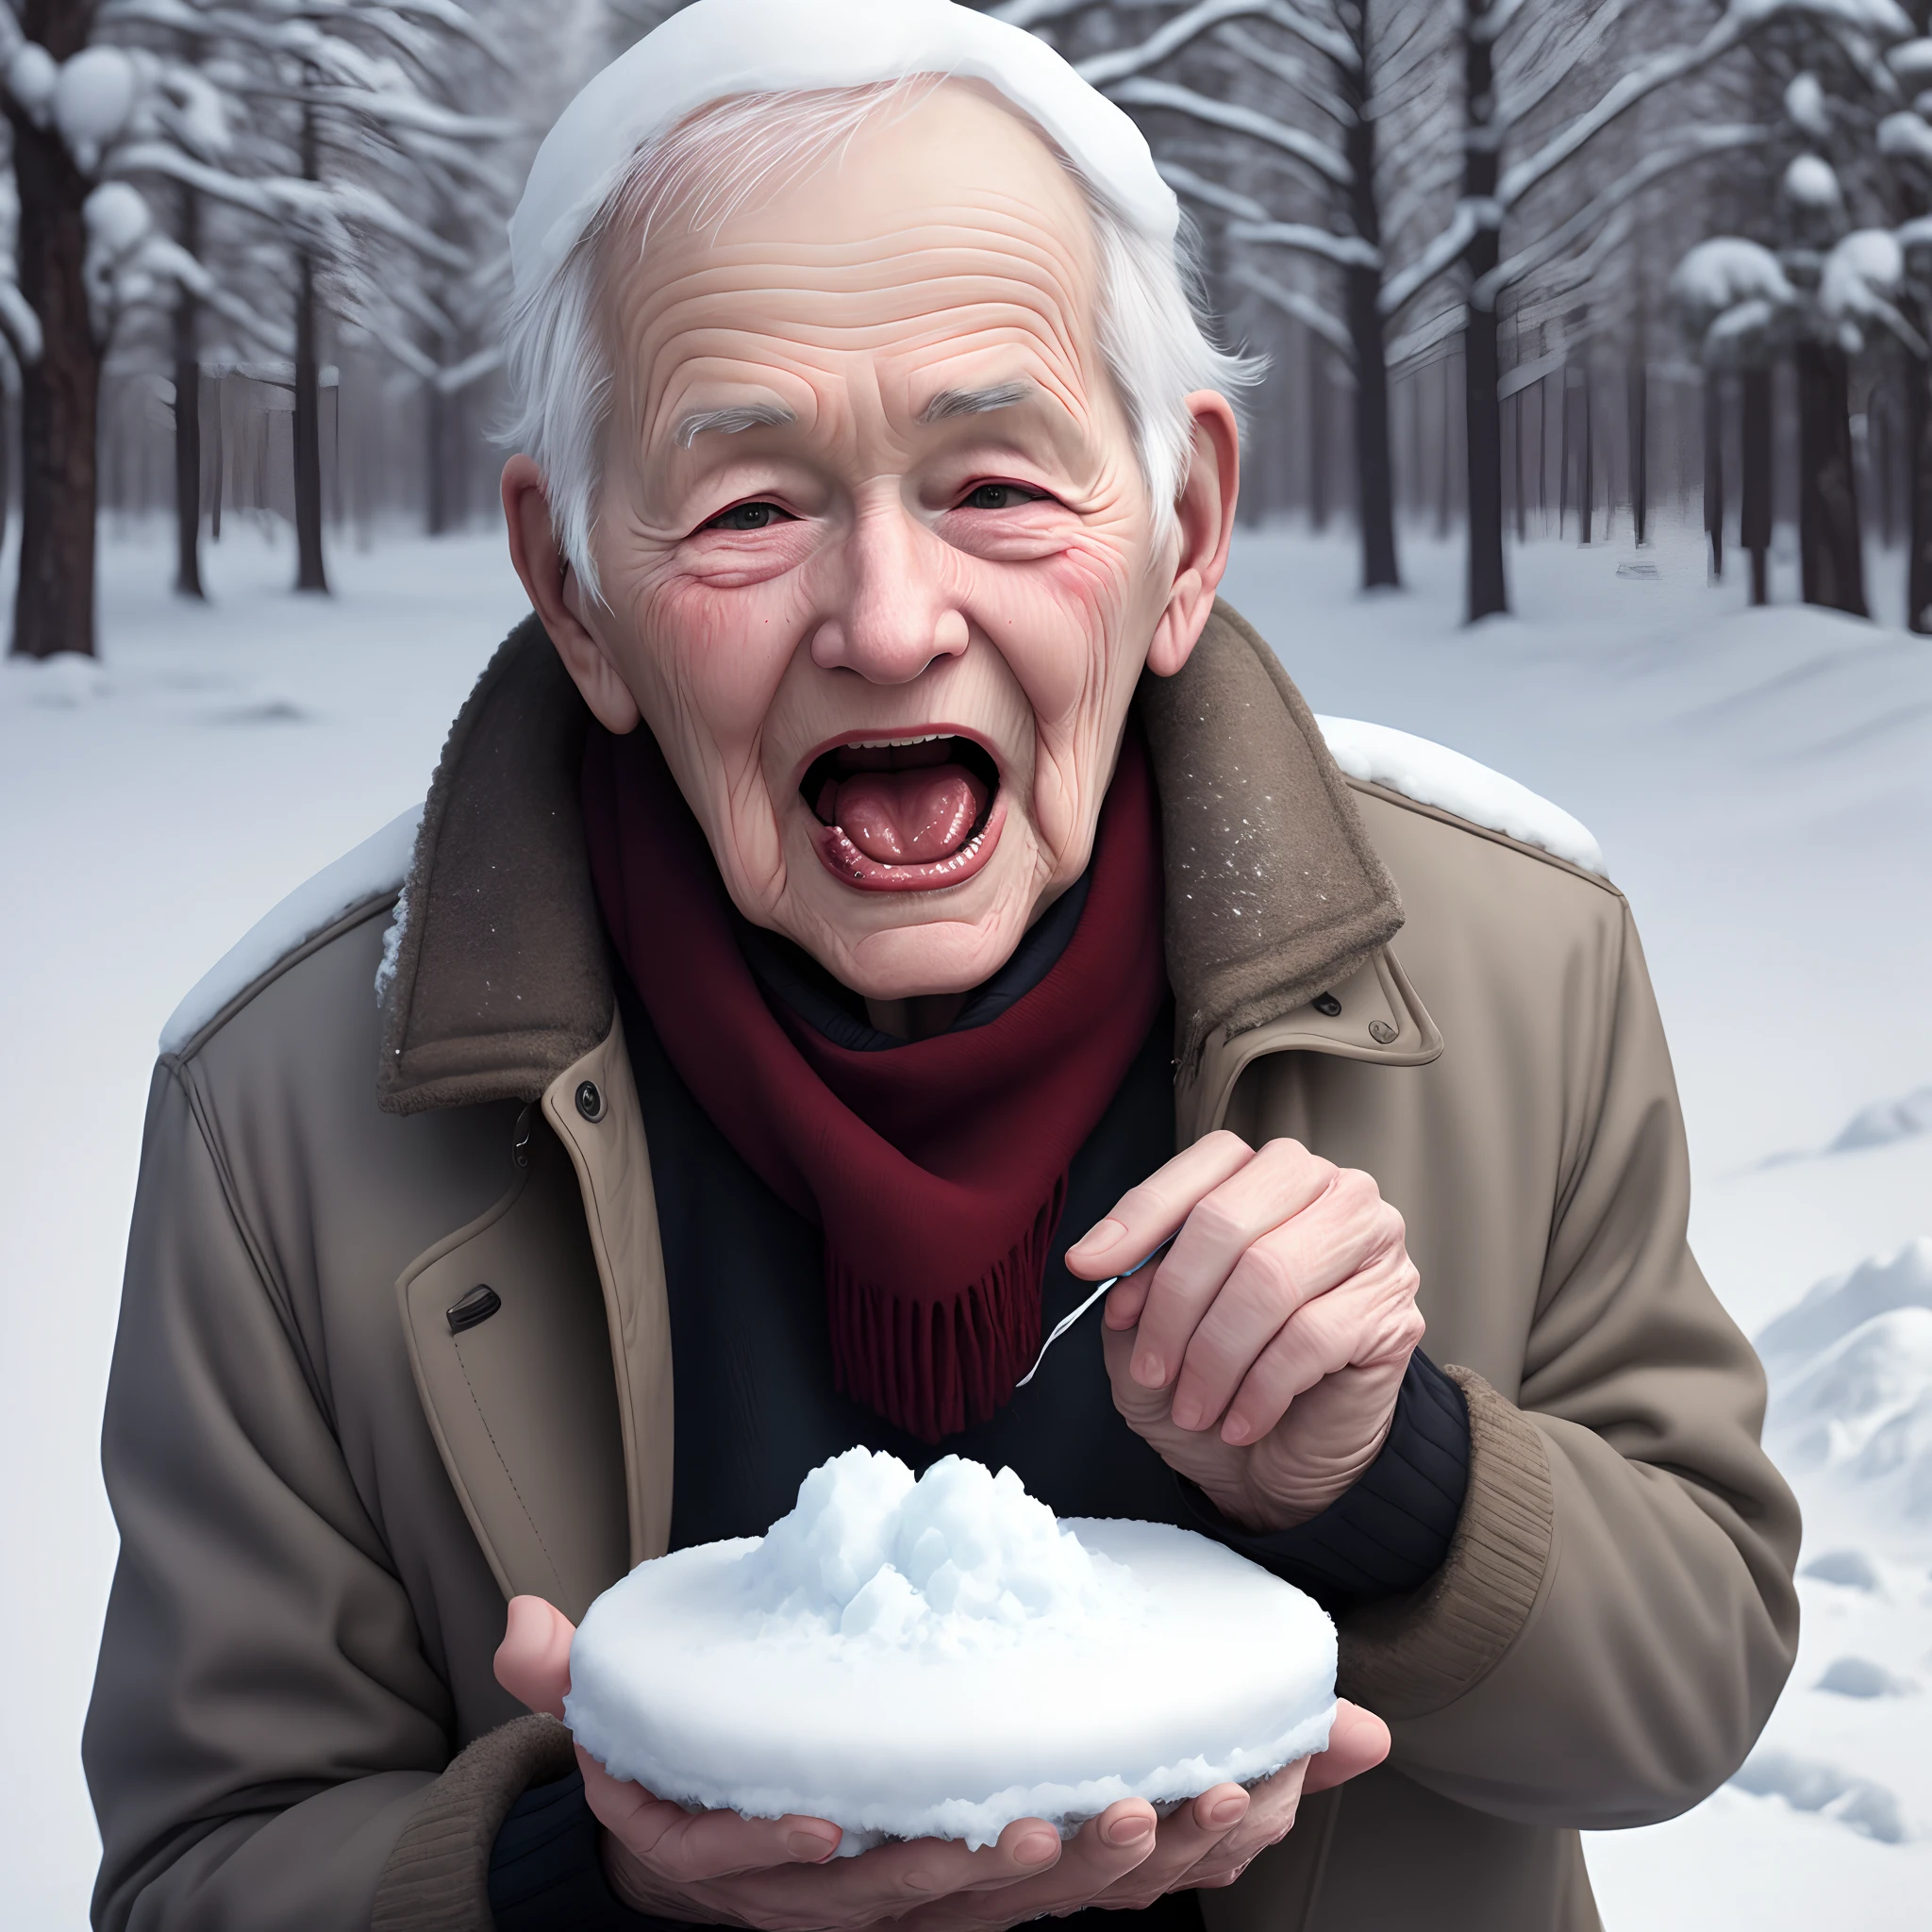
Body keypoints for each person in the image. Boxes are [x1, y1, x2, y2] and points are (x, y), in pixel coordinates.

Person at [82, 5, 1799, 1929]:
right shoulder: (282, 1106)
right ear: (576, 591)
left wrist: (1391, 1472)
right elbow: (193, 1872)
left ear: (1183, 529)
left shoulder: (1512, 961)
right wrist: (583, 1866)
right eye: (747, 506)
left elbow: (1698, 1678)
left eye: (994, 482)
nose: (889, 625)